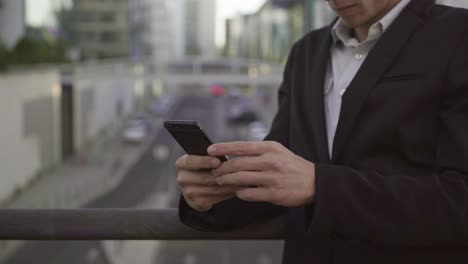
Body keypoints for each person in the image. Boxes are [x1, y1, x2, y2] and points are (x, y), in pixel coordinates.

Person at [175, 0, 468, 263]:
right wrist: (213, 197)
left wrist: (320, 185)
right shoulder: (306, 52)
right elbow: (282, 184)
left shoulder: (458, 35)